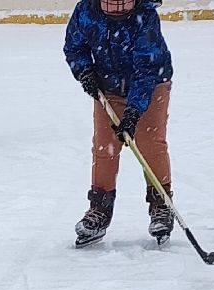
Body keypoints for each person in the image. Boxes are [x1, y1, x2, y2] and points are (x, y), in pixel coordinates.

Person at [63, 0, 174, 248]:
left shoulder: (145, 16)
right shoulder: (86, 11)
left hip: (151, 85)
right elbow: (74, 47)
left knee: (149, 143)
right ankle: (99, 209)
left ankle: (161, 204)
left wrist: (134, 113)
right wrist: (85, 72)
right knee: (105, 147)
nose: (116, 7)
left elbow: (147, 68)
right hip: (109, 87)